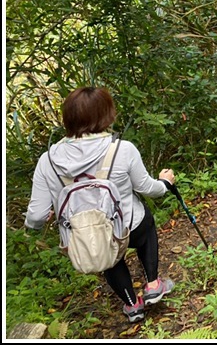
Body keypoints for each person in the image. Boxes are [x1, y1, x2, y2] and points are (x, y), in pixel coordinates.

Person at [25, 87, 176, 323]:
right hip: (131, 227)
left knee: (100, 244)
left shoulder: (48, 161)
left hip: (89, 239)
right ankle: (153, 285)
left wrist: (44, 218)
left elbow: (35, 216)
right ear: (107, 115)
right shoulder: (122, 149)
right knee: (144, 223)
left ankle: (131, 305)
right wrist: (165, 183)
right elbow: (148, 188)